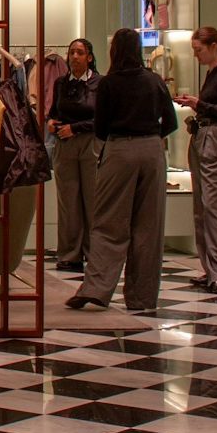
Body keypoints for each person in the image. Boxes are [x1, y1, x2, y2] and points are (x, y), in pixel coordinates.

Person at [67, 27, 178, 312]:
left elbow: (101, 126)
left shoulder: (110, 83)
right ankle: (142, 297)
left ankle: (96, 287)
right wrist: (151, 137)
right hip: (152, 151)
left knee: (108, 221)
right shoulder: (154, 81)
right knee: (149, 227)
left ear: (114, 50)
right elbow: (171, 121)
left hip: (120, 150)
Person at [175, 26, 217, 295]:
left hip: (215, 138)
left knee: (215, 208)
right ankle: (211, 269)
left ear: (214, 46)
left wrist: (199, 104)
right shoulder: (213, 72)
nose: (196, 55)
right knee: (202, 208)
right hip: (203, 136)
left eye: (198, 50)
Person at [48, 38, 99, 273]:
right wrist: (51, 122)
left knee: (92, 198)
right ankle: (70, 254)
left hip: (90, 143)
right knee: (68, 201)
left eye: (80, 52)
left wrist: (76, 128)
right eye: (71, 52)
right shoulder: (61, 83)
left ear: (89, 57)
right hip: (65, 144)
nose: (75, 57)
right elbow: (54, 111)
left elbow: (103, 118)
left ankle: (94, 251)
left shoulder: (99, 83)